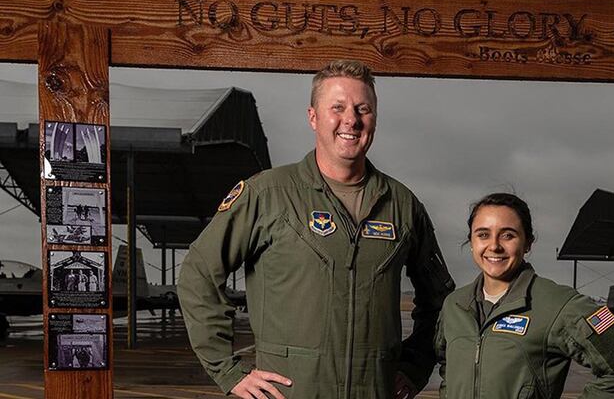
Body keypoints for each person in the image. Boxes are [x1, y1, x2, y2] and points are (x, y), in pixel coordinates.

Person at [178, 60, 455, 399]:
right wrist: (229, 371)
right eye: (337, 108)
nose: (350, 120)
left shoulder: (402, 205)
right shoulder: (267, 195)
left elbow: (441, 299)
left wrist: (414, 367)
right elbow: (198, 272)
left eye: (362, 109)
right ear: (313, 117)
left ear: (374, 119)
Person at [435, 193, 614, 398]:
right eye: (483, 234)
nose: (494, 246)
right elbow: (447, 367)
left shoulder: (561, 304)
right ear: (471, 242)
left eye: (508, 235)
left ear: (528, 243)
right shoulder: (454, 305)